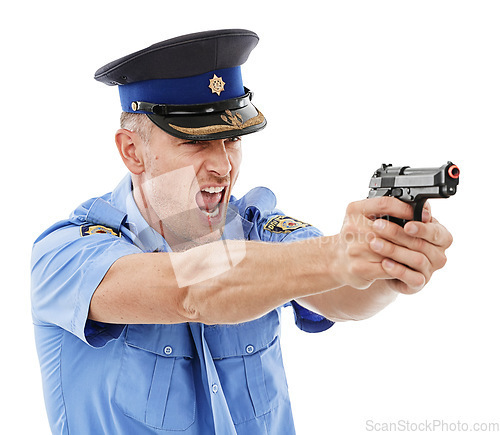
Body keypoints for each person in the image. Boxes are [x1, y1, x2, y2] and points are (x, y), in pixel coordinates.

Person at [31, 29, 453, 434]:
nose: (224, 166)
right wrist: (335, 255)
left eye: (232, 139)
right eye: (196, 142)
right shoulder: (67, 255)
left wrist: (387, 261)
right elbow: (191, 292)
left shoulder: (258, 229)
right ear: (132, 151)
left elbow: (342, 298)